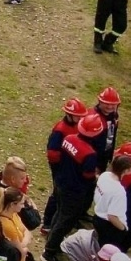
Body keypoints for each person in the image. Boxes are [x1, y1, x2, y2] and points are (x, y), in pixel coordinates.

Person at [42, 113, 107, 261]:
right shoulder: (89, 153)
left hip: (61, 183)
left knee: (60, 214)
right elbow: (88, 175)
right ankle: (49, 252)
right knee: (66, 220)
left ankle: (52, 240)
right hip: (74, 190)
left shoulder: (68, 139)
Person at [41, 98, 88, 233]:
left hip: (68, 166)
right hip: (60, 167)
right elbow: (52, 153)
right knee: (56, 194)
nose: (80, 119)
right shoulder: (60, 130)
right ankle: (47, 223)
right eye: (78, 116)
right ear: (69, 115)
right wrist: (61, 167)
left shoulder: (76, 126)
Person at [92, 154, 131, 252]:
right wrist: (123, 229)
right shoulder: (119, 191)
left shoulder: (105, 175)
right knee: (107, 252)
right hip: (109, 226)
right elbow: (112, 216)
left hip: (98, 216)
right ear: (126, 171)